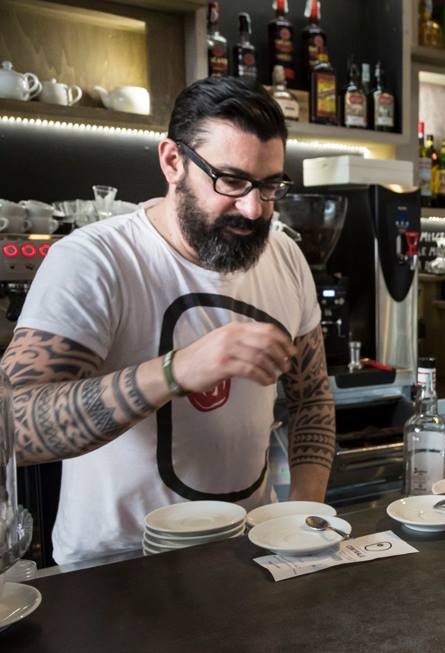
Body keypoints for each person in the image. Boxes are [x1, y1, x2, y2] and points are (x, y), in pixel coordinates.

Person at [1, 77, 334, 565]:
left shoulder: (285, 258)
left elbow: (313, 399)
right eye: (232, 181)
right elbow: (15, 426)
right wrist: (175, 370)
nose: (254, 208)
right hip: (116, 575)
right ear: (172, 161)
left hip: (248, 557)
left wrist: (304, 520)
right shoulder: (96, 259)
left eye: (269, 186)